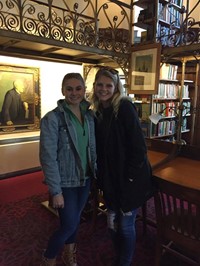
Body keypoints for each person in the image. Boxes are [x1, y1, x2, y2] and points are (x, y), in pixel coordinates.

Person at [91, 67, 154, 266]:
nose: (103, 89)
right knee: (112, 224)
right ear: (94, 87)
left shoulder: (125, 107)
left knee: (125, 226)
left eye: (108, 85)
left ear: (116, 87)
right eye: (100, 85)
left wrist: (130, 178)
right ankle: (119, 257)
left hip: (130, 179)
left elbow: (138, 148)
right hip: (111, 179)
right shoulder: (98, 110)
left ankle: (124, 262)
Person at [39, 73, 96, 266]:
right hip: (65, 182)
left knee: (75, 220)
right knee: (69, 224)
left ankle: (69, 253)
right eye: (69, 89)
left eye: (78, 88)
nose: (74, 93)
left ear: (84, 90)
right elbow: (48, 158)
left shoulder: (89, 115)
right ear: (63, 91)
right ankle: (49, 258)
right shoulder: (52, 119)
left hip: (85, 179)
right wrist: (55, 191)